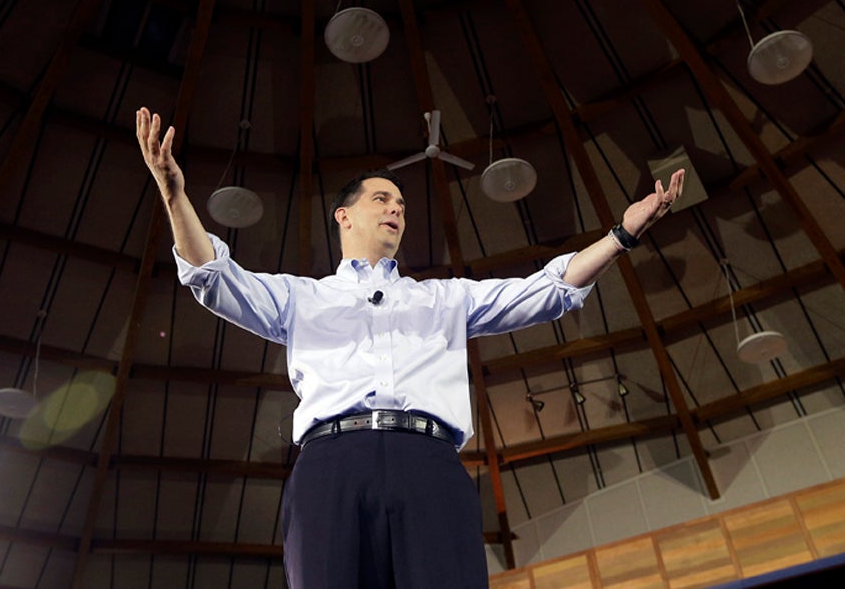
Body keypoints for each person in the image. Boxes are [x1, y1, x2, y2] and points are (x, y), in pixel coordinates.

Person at [136, 107, 684, 588]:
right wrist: (173, 192)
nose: (396, 208)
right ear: (344, 215)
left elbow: (546, 291)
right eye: (381, 198)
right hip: (332, 465)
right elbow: (210, 275)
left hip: (429, 463)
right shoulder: (299, 298)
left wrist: (621, 236)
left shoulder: (445, 299)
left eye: (400, 201)